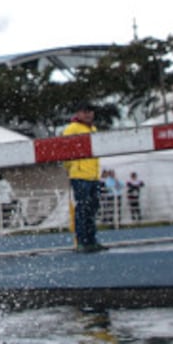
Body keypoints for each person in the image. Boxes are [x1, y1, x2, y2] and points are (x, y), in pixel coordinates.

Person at [62, 105, 106, 253]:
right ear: (78, 113)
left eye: (90, 112)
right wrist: (71, 168)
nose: (88, 115)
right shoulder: (72, 128)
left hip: (93, 175)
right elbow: (64, 150)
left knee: (93, 208)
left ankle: (91, 240)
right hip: (80, 175)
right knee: (82, 209)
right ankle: (81, 241)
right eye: (85, 112)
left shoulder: (93, 129)